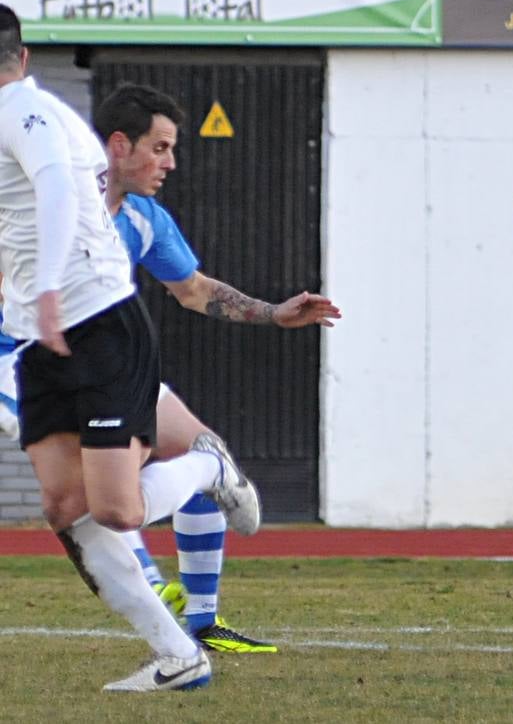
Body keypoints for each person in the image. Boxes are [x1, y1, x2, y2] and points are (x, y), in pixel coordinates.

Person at [0, 2, 260, 691]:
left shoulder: (20, 114)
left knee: (116, 508)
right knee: (64, 506)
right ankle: (179, 656)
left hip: (96, 323)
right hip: (38, 337)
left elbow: (57, 184)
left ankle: (207, 468)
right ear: (23, 55)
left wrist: (51, 284)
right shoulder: (54, 116)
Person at [94, 83, 339, 652]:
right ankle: (154, 587)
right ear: (118, 146)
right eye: (160, 148)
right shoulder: (52, 202)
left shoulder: (143, 218)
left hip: (105, 366)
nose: (170, 163)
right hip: (32, 367)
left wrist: (275, 312)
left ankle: (201, 623)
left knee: (191, 450)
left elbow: (194, 289)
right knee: (92, 499)